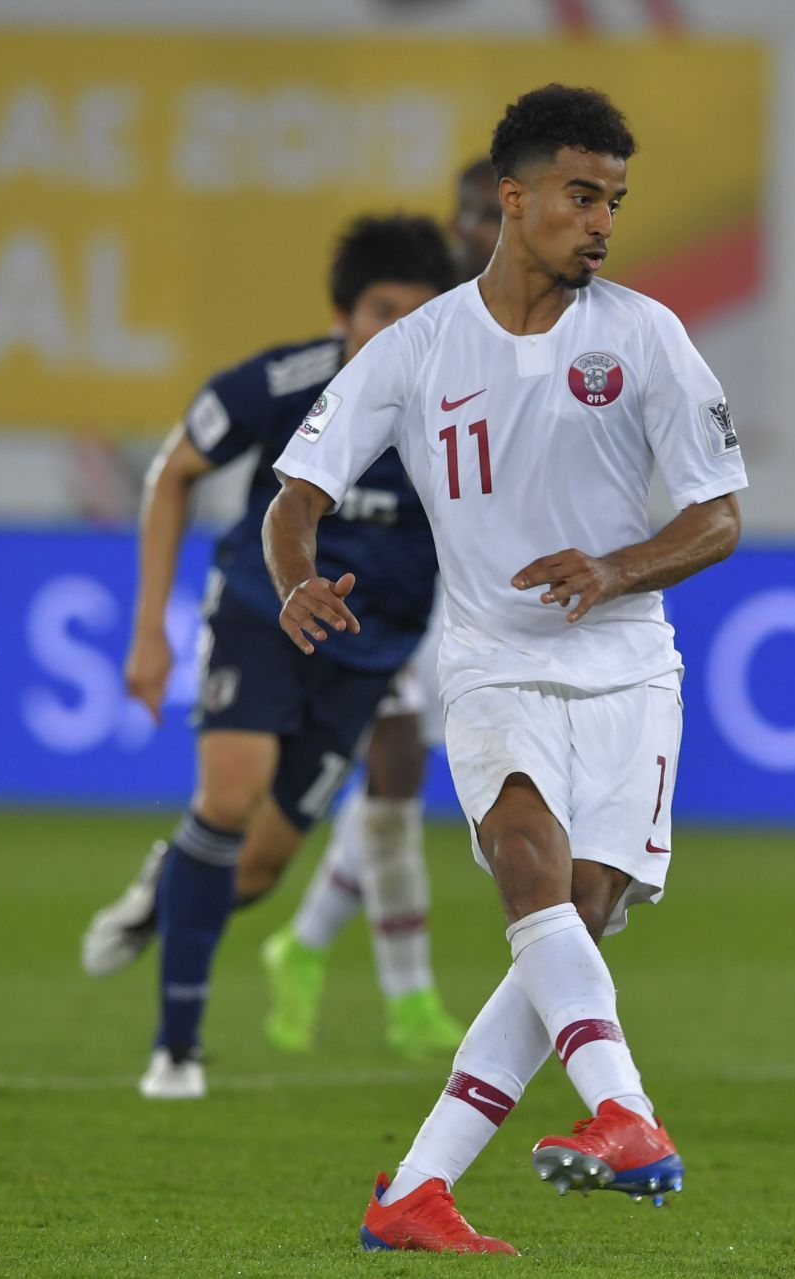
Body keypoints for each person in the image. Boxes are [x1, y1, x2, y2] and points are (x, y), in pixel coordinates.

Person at [265, 85, 746, 1254]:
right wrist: (297, 579)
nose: (602, 223)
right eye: (583, 197)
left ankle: (417, 1190)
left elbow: (721, 517)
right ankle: (626, 1114)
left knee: (575, 921)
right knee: (526, 862)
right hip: (491, 665)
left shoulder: (645, 337)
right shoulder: (418, 347)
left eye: (617, 202)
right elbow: (300, 494)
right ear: (514, 198)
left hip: (630, 674)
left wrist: (618, 567)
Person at [81, 214, 463, 1099]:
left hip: (370, 654)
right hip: (263, 614)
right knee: (227, 795)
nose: (394, 331)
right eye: (379, 310)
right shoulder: (285, 382)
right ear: (342, 312)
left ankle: (164, 881)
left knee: (252, 869)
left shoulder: (458, 405)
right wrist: (149, 630)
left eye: (417, 314)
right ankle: (176, 1051)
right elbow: (172, 469)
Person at [252, 162, 502, 1057]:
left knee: (399, 783)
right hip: (400, 593)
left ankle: (305, 944)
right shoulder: (435, 321)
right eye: (471, 213)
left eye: (488, 213)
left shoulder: (528, 318)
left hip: (465, 584)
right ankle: (408, 998)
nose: (479, 229)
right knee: (395, 773)